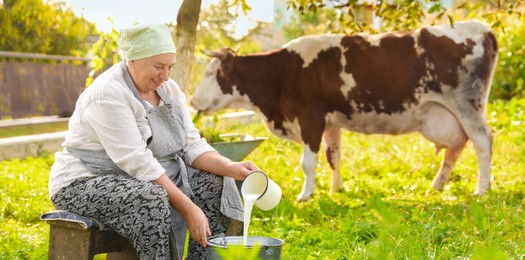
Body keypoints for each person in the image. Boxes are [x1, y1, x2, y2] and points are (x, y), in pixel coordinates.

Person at [48, 23, 258, 259]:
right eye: (159, 66)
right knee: (151, 198)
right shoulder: (108, 95)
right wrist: (188, 209)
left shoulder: (169, 89)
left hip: (141, 178)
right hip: (84, 182)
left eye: (170, 67)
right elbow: (139, 162)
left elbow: (190, 144)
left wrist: (232, 167)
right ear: (133, 61)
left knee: (216, 184)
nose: (166, 76)